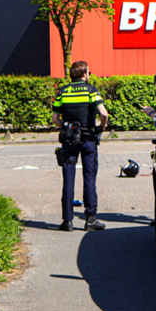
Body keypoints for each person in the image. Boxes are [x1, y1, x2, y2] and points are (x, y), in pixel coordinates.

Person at [52, 61, 109, 232]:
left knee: (68, 178)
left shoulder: (63, 91)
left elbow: (55, 118)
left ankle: (67, 220)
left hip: (69, 139)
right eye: (89, 72)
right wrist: (101, 127)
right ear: (84, 74)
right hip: (88, 138)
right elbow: (104, 113)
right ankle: (90, 219)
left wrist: (66, 128)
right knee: (89, 177)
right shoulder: (91, 90)